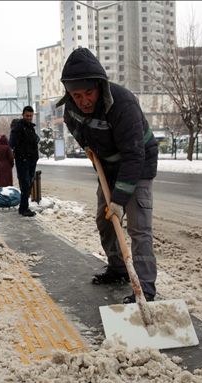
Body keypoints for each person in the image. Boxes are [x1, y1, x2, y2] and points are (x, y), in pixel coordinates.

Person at [57, 47, 158, 303]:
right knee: (105, 220)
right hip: (109, 167)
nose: (84, 100)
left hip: (139, 163)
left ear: (100, 86)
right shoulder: (70, 111)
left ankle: (145, 288)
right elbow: (86, 142)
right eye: (76, 95)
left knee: (139, 228)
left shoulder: (122, 103)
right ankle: (118, 268)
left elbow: (135, 155)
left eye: (88, 92)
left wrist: (120, 199)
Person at [10, 105, 40, 217]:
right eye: (27, 115)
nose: (29, 117)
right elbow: (12, 143)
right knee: (25, 184)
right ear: (23, 115)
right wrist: (21, 149)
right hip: (23, 161)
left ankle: (24, 207)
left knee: (29, 183)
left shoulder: (31, 127)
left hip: (32, 160)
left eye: (31, 116)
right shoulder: (18, 127)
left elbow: (36, 139)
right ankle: (23, 209)